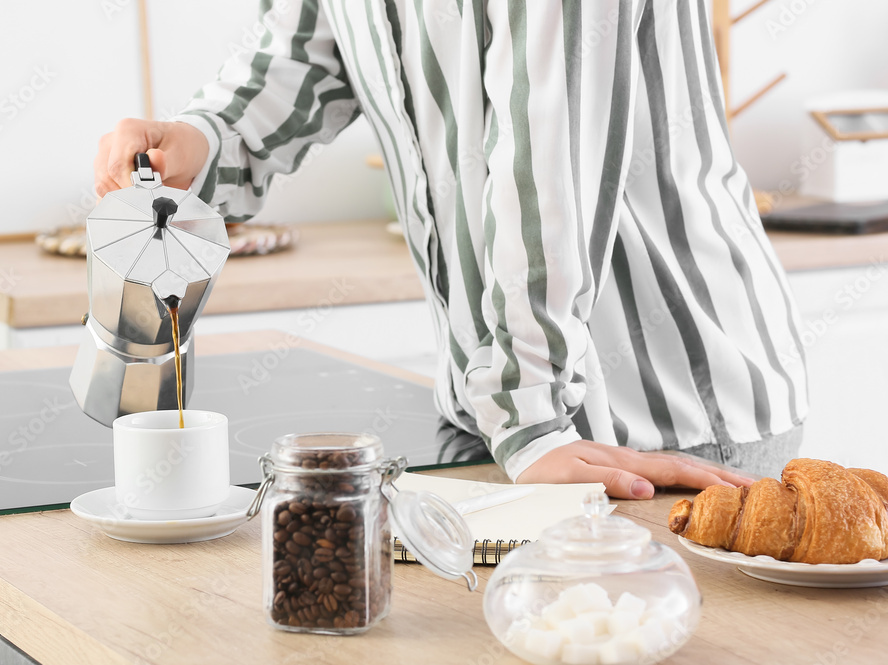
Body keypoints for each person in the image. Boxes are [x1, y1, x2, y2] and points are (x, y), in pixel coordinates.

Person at [94, 0, 806, 499]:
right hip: (514, 422)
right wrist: (205, 139)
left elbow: (545, 156)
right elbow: (301, 51)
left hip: (664, 417)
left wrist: (526, 407)